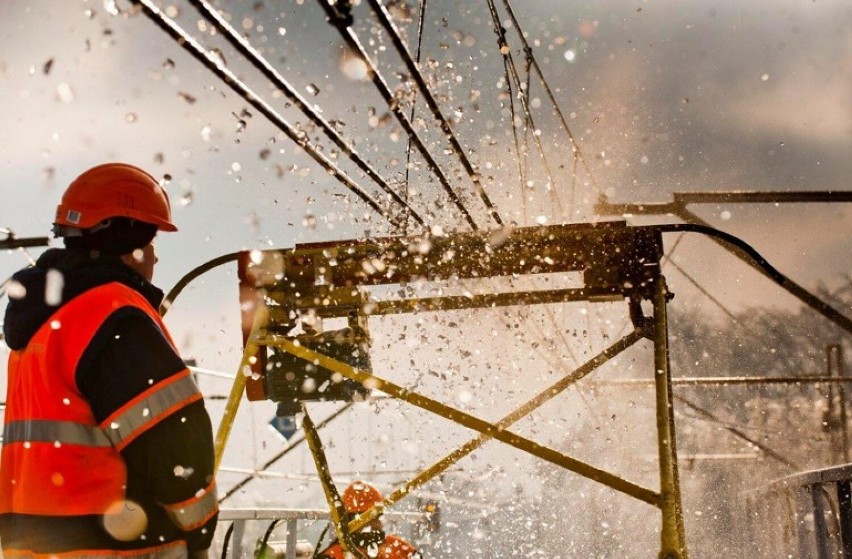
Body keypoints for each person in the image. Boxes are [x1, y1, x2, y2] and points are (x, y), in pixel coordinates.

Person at [0, 163, 218, 559]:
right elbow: (173, 444)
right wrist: (199, 530)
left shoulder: (38, 326)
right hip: (118, 545)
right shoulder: (113, 314)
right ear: (132, 243)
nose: (154, 257)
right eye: (151, 243)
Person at [314, 481, 420, 559]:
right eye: (368, 517)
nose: (375, 522)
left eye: (377, 516)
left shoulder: (401, 548)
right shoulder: (400, 548)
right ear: (351, 519)